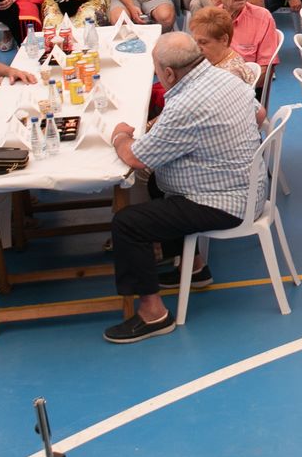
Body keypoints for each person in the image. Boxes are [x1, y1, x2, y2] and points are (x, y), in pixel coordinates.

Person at [101, 33, 266, 342]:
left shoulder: (185, 105)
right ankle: (194, 269)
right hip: (251, 185)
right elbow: (259, 115)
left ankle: (153, 314)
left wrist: (120, 136)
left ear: (168, 73)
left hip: (226, 203)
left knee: (128, 223)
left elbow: (135, 157)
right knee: (158, 183)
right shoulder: (225, 77)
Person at [187, 4, 260, 89]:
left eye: (203, 42)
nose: (197, 48)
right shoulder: (220, 59)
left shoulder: (231, 75)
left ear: (224, 40)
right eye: (195, 41)